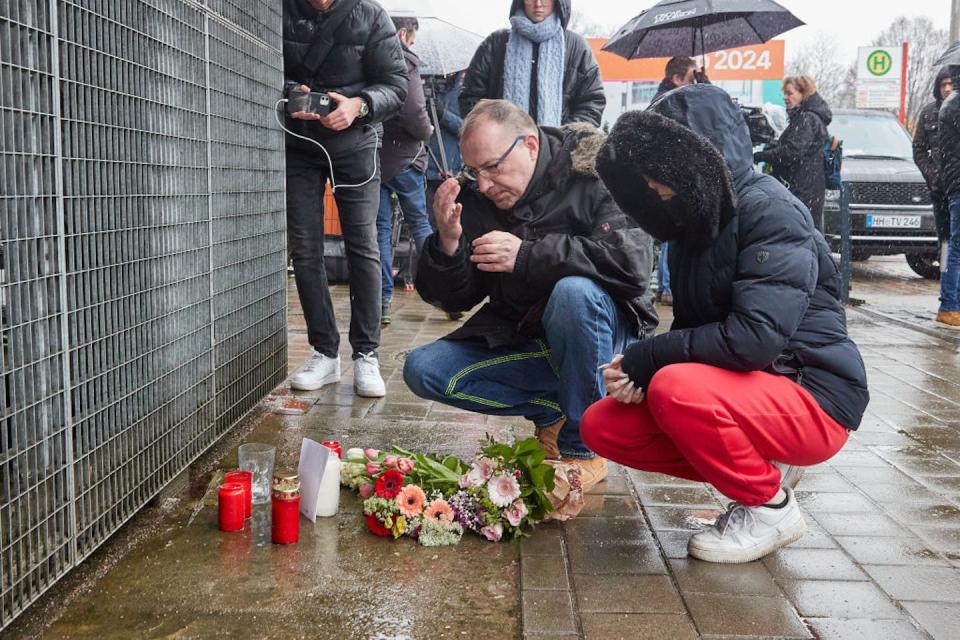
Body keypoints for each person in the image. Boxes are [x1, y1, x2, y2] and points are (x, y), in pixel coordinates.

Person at [585, 84, 869, 563]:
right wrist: (638, 372)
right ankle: (755, 477)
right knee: (604, 426)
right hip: (756, 389)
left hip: (815, 396)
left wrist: (650, 358)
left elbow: (752, 340)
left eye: (659, 172)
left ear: (696, 163)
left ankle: (771, 508)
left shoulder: (771, 211)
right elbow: (699, 335)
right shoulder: (696, 223)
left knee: (676, 387)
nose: (651, 185)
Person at [403, 99, 658, 491]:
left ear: (530, 145)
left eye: (493, 167)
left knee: (574, 293)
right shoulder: (477, 198)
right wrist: (448, 244)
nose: (484, 184)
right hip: (522, 335)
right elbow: (455, 300)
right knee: (422, 369)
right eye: (474, 171)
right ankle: (553, 410)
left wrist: (525, 255)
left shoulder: (595, 172)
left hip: (606, 339)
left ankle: (583, 447)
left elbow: (632, 267)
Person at [283, 0, 407, 397]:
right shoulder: (279, 10)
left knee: (363, 245)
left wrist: (359, 105)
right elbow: (257, 68)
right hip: (299, 142)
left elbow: (396, 85)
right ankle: (325, 352)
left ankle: (366, 355)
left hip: (356, 143)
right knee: (304, 249)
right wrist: (291, 94)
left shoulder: (371, 15)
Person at [460, 0, 605, 127]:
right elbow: (470, 98)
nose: (538, 4)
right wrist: (495, 133)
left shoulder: (577, 47)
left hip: (558, 154)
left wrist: (560, 141)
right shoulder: (495, 43)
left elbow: (592, 104)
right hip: (501, 153)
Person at [377, 16, 435, 327]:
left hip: (376, 160)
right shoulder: (406, 62)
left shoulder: (372, 57)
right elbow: (414, 112)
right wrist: (427, 130)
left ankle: (382, 300)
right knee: (420, 225)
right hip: (406, 159)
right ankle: (444, 287)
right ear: (402, 33)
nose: (412, 45)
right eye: (411, 39)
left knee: (381, 233)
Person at [753, 75, 832, 231]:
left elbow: (791, 152)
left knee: (800, 233)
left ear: (804, 94)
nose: (785, 98)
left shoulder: (807, 119)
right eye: (785, 93)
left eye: (790, 93)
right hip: (807, 189)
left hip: (802, 190)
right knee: (808, 234)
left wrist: (760, 156)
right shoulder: (806, 117)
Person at [914, 67, 954, 270]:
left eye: (950, 83)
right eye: (942, 84)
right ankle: (946, 278)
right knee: (945, 238)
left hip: (957, 185)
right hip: (939, 189)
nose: (947, 88)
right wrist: (932, 175)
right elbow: (918, 148)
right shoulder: (929, 113)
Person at [936, 65, 960, 327]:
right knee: (957, 249)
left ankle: (952, 303)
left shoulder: (951, 102)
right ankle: (950, 305)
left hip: (955, 184)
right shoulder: (955, 105)